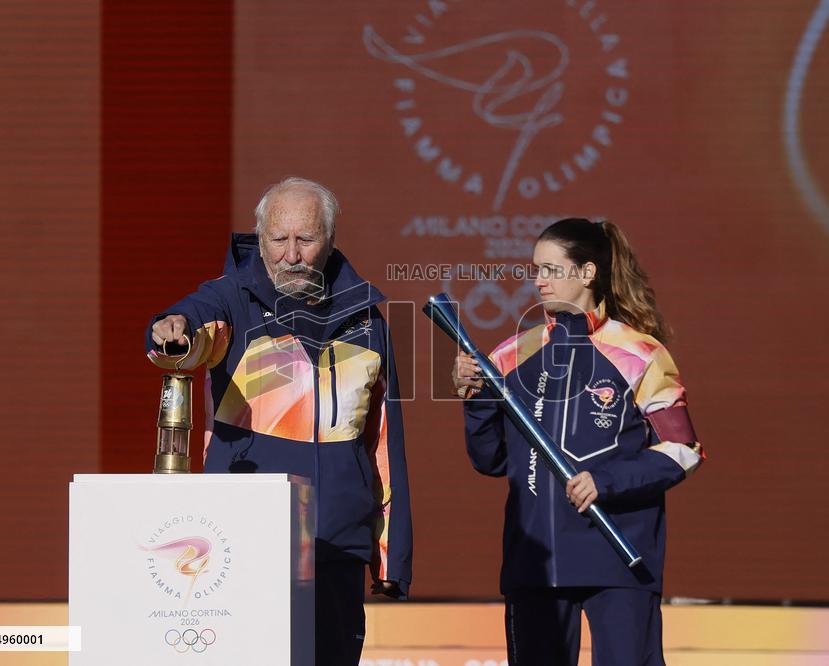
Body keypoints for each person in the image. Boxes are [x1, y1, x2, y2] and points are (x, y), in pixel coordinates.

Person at [147, 177, 412, 666]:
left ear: (330, 241)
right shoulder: (230, 300)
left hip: (336, 542)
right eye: (278, 239)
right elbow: (191, 325)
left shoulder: (369, 320)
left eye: (306, 239)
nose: (292, 255)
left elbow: (382, 445)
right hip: (244, 544)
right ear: (261, 238)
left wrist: (391, 553)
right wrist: (172, 329)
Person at [452, 217, 704, 666]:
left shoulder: (640, 353)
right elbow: (490, 460)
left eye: (551, 269)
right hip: (536, 566)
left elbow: (683, 450)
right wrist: (475, 399)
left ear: (588, 273)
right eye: (535, 269)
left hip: (618, 558)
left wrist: (605, 481)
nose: (538, 281)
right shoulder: (511, 355)